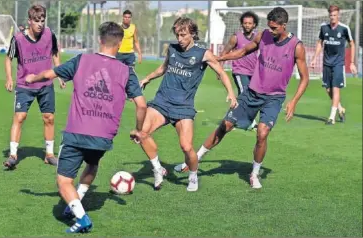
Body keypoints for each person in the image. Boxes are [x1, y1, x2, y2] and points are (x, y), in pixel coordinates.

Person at [25, 21, 141, 233]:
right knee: (92, 164)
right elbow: (141, 104)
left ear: (100, 40)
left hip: (77, 132)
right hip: (104, 137)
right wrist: (138, 130)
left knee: (63, 181)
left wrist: (33, 77)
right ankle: (77, 200)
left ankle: (82, 218)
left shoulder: (82, 60)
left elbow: (50, 74)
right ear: (120, 42)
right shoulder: (126, 71)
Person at [175, 7, 309, 189]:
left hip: (274, 98)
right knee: (225, 125)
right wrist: (221, 58)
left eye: (275, 28)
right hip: (251, 93)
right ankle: (193, 161)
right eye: (269, 27)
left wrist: (293, 102)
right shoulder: (263, 35)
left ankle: (254, 174)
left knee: (262, 133)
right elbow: (243, 51)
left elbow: (305, 78)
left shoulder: (297, 46)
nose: (271, 31)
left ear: (284, 25)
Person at [131, 17, 237, 192]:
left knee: (186, 147)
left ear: (193, 33)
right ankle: (158, 169)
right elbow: (164, 68)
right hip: (161, 103)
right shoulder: (172, 49)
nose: (179, 39)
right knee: (140, 134)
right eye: (177, 35)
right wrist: (146, 79)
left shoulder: (203, 53)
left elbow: (222, 72)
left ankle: (193, 176)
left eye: (183, 35)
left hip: (183, 107)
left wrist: (231, 93)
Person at [3, 4, 65, 169]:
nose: (40, 24)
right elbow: (8, 58)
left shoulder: (49, 34)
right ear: (29, 21)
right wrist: (9, 77)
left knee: (49, 118)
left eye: (42, 21)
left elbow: (55, 53)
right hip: (25, 85)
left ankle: (50, 155)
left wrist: (59, 74)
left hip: (45, 85)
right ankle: (13, 155)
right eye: (37, 21)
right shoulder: (18, 39)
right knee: (20, 117)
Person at [310, 5, 357, 125]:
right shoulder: (324, 28)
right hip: (326, 63)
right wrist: (314, 58)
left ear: (338, 15)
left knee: (336, 89)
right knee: (328, 89)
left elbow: (352, 44)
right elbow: (320, 43)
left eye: (335, 15)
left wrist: (351, 63)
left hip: (338, 64)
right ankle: (340, 109)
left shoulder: (344, 28)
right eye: (331, 15)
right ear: (329, 16)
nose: (333, 17)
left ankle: (332, 117)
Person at [221, 11, 259, 131]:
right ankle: (250, 122)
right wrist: (220, 68)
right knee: (244, 95)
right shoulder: (236, 37)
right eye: (245, 23)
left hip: (253, 72)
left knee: (252, 97)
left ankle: (230, 119)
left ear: (254, 25)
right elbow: (225, 52)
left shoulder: (258, 37)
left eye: (250, 23)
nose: (247, 25)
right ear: (242, 24)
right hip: (239, 71)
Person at [117, 9, 146, 130]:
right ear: (122, 18)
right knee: (118, 74)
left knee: (130, 74)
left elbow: (136, 41)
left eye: (129, 17)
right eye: (125, 17)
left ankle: (130, 94)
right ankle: (118, 93)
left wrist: (139, 53)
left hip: (129, 54)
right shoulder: (118, 28)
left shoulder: (133, 28)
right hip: (119, 53)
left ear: (131, 18)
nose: (127, 19)